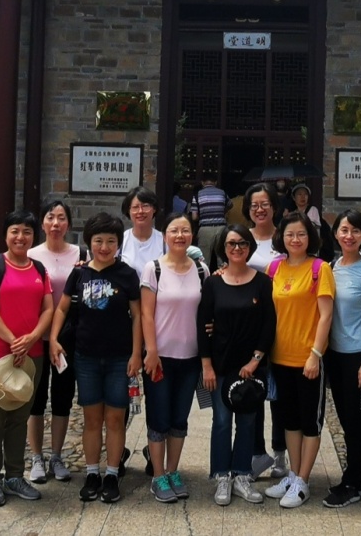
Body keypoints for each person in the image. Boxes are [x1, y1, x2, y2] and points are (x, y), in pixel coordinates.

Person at [49, 211, 142, 505]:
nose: (104, 247)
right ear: (89, 242)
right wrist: (53, 338)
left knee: (115, 418)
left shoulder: (127, 274)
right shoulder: (79, 273)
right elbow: (62, 308)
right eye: (99, 240)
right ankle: (92, 473)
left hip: (119, 358)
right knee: (91, 419)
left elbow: (138, 316)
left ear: (118, 244)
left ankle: (111, 474)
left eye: (111, 241)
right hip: (86, 357)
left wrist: (136, 353)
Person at [0, 209, 54, 507]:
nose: (21, 237)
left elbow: (48, 308)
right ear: (6, 234)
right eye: (15, 231)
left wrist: (32, 338)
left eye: (27, 232)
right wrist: (13, 341)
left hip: (32, 355)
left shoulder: (39, 269)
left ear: (34, 236)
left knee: (20, 418)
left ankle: (15, 475)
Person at [198, 224, 277, 507]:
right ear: (223, 247)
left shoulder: (262, 282)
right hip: (220, 365)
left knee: (247, 421)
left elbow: (269, 324)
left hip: (250, 366)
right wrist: (206, 366)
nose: (237, 248)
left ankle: (243, 474)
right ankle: (222, 475)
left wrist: (256, 360)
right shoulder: (213, 283)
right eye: (231, 243)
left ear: (250, 247)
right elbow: (202, 324)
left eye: (243, 243)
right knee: (221, 421)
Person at [264, 211, 336, 509]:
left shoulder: (320, 269)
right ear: (281, 237)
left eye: (301, 234)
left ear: (311, 237)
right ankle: (294, 475)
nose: (295, 239)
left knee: (310, 422)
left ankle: (304, 480)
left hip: (308, 360)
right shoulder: (274, 268)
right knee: (288, 421)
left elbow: (326, 316)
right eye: (290, 234)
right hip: (279, 358)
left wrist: (315, 355)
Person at [140, 212, 207, 503]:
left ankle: (173, 471)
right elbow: (146, 313)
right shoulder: (153, 268)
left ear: (192, 235)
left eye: (185, 230)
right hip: (160, 357)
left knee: (180, 418)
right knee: (159, 417)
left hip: (190, 357)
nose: (180, 236)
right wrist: (151, 351)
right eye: (174, 230)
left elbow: (206, 311)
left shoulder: (202, 270)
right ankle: (158, 476)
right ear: (165, 235)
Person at [323, 208, 361, 508]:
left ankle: (351, 482)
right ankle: (360, 479)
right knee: (347, 418)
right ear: (336, 233)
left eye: (356, 231)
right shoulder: (330, 267)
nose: (349, 236)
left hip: (359, 354)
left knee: (356, 420)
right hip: (335, 355)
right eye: (344, 230)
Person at [26, 198, 83, 483]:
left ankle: (57, 456)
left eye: (61, 217)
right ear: (42, 222)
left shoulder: (81, 255)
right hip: (36, 336)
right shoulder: (30, 255)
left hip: (67, 339)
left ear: (69, 223)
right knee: (35, 399)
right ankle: (36, 457)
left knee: (62, 397)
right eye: (50, 217)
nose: (56, 223)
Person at [239, 182, 286, 480]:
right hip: (251, 328)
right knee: (253, 392)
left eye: (265, 204)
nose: (259, 209)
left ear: (274, 207)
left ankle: (280, 453)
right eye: (254, 205)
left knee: (279, 395)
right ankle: (257, 453)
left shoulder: (286, 238)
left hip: (284, 324)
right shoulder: (241, 239)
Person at [120, 186, 166, 274]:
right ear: (128, 211)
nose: (140, 211)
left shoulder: (165, 241)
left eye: (145, 206)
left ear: (154, 209)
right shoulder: (121, 240)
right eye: (135, 207)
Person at [190, 174, 231, 258]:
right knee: (223, 258)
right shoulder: (222, 193)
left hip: (205, 229)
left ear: (202, 183)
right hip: (221, 228)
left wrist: (203, 216)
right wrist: (222, 212)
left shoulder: (197, 195)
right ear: (215, 182)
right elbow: (230, 204)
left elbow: (194, 217)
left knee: (203, 259)